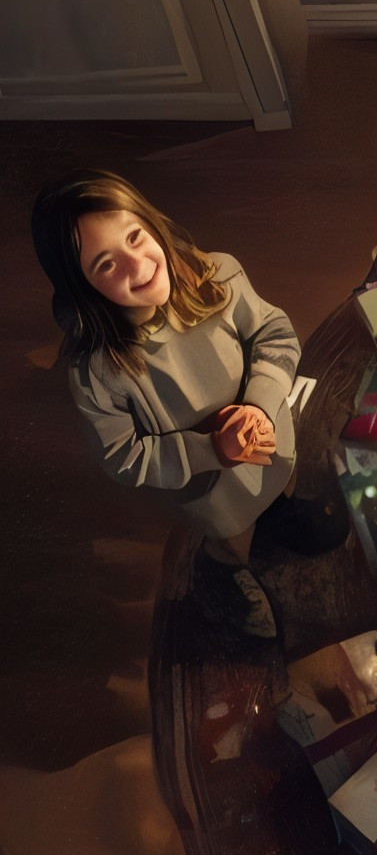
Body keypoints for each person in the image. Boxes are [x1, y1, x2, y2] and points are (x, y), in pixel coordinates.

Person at [32, 170, 339, 637]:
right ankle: (220, 570)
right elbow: (122, 455)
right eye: (106, 264)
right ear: (82, 287)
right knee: (233, 532)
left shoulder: (219, 276)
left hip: (268, 434)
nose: (138, 265)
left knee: (279, 481)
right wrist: (212, 449)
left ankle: (280, 515)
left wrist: (259, 405)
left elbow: (273, 332)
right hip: (206, 487)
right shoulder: (96, 372)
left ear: (151, 223)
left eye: (134, 237)